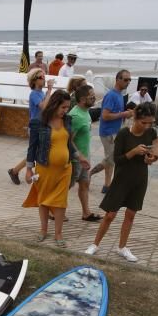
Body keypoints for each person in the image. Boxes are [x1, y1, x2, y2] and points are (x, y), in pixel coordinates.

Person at [85, 103, 158, 262]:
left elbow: (154, 154)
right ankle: (95, 244)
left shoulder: (152, 132)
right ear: (135, 118)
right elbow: (115, 159)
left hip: (140, 178)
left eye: (150, 123)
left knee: (131, 215)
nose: (147, 126)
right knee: (110, 215)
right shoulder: (124, 133)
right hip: (121, 178)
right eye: (143, 122)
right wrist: (133, 152)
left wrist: (151, 158)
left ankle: (122, 247)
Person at [23, 90, 89, 246]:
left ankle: (58, 234)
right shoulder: (38, 121)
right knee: (44, 201)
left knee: (60, 202)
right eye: (63, 107)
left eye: (67, 107)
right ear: (54, 105)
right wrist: (28, 169)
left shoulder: (67, 120)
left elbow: (68, 143)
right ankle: (43, 230)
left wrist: (79, 156)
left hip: (65, 169)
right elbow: (32, 148)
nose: (65, 111)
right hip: (44, 169)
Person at [90, 70, 134, 193]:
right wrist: (123, 114)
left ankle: (107, 185)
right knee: (112, 159)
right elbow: (105, 116)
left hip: (114, 131)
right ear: (118, 79)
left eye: (129, 80)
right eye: (125, 79)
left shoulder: (119, 94)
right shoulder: (111, 95)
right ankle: (90, 174)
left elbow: (116, 113)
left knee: (110, 160)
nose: (128, 82)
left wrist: (126, 115)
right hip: (108, 132)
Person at [7, 69, 54, 184]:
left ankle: (14, 171)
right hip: (35, 125)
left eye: (44, 77)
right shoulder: (34, 93)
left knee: (37, 151)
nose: (44, 79)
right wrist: (49, 91)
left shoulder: (41, 93)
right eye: (41, 77)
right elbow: (43, 106)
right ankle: (20, 171)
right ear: (34, 80)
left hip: (42, 124)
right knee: (33, 150)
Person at [68, 85, 101, 222]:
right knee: (66, 186)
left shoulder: (86, 112)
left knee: (84, 184)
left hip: (84, 157)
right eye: (91, 97)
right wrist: (79, 156)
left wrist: (86, 156)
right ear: (82, 99)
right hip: (76, 160)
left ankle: (86, 213)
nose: (94, 99)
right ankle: (54, 211)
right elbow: (68, 140)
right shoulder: (75, 116)